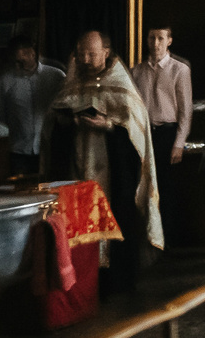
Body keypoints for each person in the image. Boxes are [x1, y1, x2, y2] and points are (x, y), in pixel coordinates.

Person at [58, 31, 163, 290]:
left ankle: (116, 279)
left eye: (91, 54)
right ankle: (87, 279)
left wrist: (108, 125)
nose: (85, 59)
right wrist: (69, 120)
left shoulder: (120, 81)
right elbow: (55, 118)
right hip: (80, 166)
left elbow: (136, 127)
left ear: (106, 52)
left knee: (116, 217)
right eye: (81, 53)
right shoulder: (75, 81)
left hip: (114, 172)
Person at [0, 37, 66, 180]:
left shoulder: (56, 76)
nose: (18, 66)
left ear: (31, 53)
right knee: (21, 192)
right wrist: (17, 124)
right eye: (15, 61)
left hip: (50, 149)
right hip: (19, 151)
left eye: (21, 61)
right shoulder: (5, 81)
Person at [136, 26, 195, 178]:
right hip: (144, 135)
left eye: (160, 38)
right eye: (151, 38)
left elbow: (185, 109)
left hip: (168, 134)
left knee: (167, 185)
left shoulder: (180, 70)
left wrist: (179, 143)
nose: (155, 44)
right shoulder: (136, 72)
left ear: (169, 41)